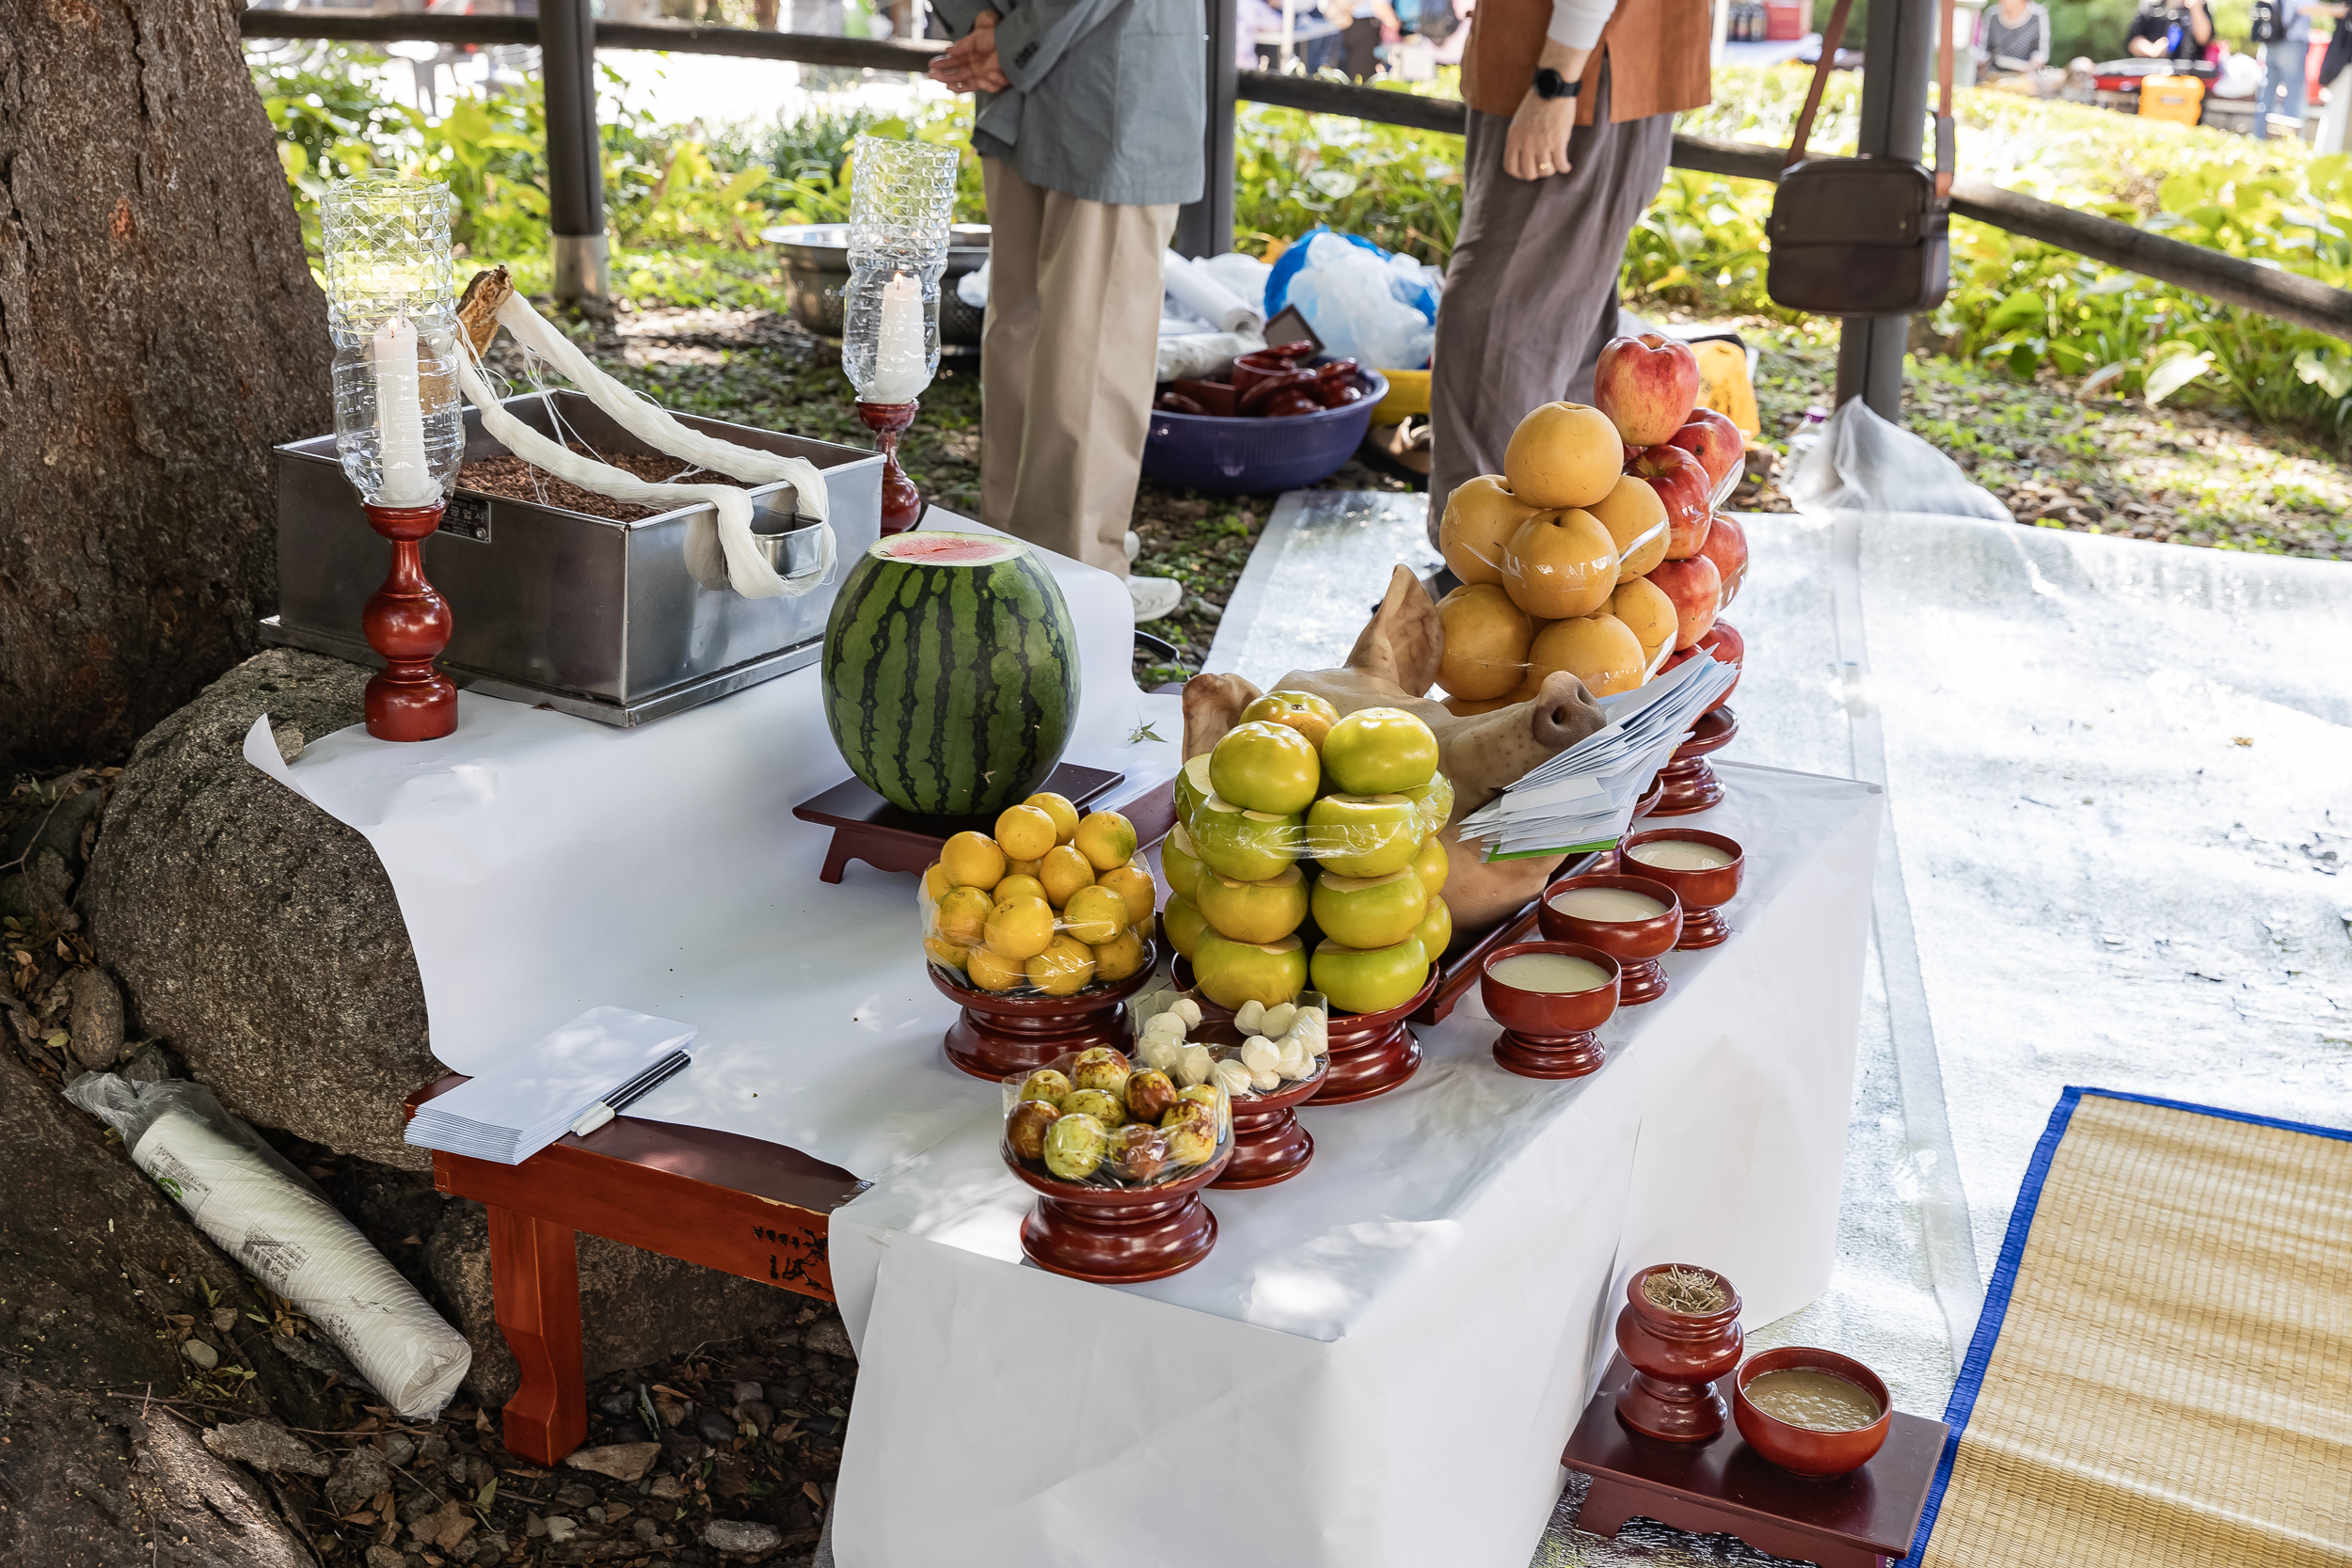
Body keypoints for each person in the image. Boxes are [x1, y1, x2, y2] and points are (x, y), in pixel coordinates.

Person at [929, 0, 1199, 620]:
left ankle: (1014, 576)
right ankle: (1072, 596)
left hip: (1026, 79)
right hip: (1111, 77)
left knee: (1024, 331)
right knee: (1093, 345)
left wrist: (982, 23)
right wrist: (1006, 42)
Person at [1425, 0, 1711, 529]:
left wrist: (1556, 82)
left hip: (1575, 69)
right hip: (1585, 64)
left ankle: (1488, 566)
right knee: (1566, 333)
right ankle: (1562, 570)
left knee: (1494, 330)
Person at [1975, 0, 2053, 78]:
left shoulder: (2038, 15)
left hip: (2025, 77)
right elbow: (1983, 48)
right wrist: (1982, 61)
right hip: (1993, 75)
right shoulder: (1992, 14)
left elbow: (2042, 52)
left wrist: (2031, 66)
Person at [2127, 0, 2214, 60]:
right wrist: (2152, 50)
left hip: (2190, 76)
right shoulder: (2150, 5)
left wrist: (2196, 10)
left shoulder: (2199, 5)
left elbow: (2204, 39)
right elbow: (2132, 41)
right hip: (2154, 75)